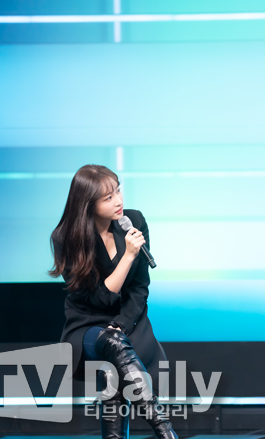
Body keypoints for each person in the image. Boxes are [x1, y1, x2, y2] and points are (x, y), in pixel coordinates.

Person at [50, 164, 177, 439]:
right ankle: (165, 431)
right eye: (108, 198)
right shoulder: (66, 238)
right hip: (87, 324)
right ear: (88, 205)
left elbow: (139, 287)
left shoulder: (134, 220)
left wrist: (121, 324)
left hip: (128, 321)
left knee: (115, 367)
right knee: (113, 344)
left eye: (118, 191)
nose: (118, 201)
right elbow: (100, 298)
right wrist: (128, 256)